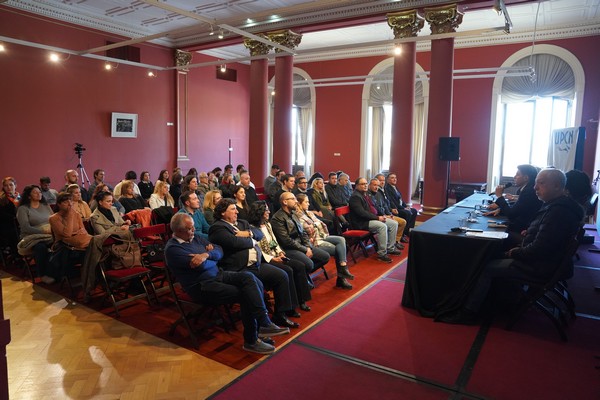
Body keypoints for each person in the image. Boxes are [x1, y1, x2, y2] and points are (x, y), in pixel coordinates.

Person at [440, 168, 585, 325]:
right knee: (492, 252)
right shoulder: (559, 205)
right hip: (547, 261)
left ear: (557, 186)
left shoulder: (558, 212)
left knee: (486, 265)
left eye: (541, 184)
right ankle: (498, 301)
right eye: (535, 183)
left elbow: (538, 249)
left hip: (540, 266)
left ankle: (468, 312)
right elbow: (546, 237)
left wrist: (514, 252)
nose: (535, 188)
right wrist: (531, 231)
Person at [165, 213, 289, 354]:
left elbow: (219, 252)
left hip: (218, 274)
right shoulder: (173, 250)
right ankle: (251, 340)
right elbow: (201, 267)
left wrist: (206, 255)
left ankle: (263, 323)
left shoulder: (195, 238)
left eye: (193, 227)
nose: (193, 230)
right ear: (178, 231)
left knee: (251, 279)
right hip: (202, 286)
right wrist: (210, 257)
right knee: (245, 294)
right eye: (189, 229)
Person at [208, 198, 298, 328]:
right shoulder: (217, 228)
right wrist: (252, 241)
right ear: (222, 212)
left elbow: (258, 234)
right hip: (239, 269)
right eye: (233, 209)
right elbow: (234, 243)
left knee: (282, 275)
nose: (237, 212)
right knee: (258, 284)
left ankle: (280, 314)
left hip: (256, 264)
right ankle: (261, 323)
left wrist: (248, 233)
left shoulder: (242, 223)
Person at [248, 200, 312, 312]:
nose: (268, 212)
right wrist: (273, 258)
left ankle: (301, 300)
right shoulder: (252, 229)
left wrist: (280, 252)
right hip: (265, 259)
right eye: (266, 210)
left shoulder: (267, 224)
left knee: (299, 266)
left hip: (276, 254)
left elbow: (274, 242)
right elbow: (257, 249)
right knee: (288, 270)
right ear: (259, 212)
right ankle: (290, 307)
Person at [270, 193, 331, 288]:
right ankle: (302, 277)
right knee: (309, 264)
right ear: (285, 202)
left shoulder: (294, 214)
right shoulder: (277, 218)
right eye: (293, 199)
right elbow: (286, 240)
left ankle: (302, 275)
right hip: (289, 249)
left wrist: (308, 246)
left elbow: (302, 233)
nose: (296, 201)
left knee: (325, 256)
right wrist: (304, 249)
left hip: (301, 245)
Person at [295, 193, 353, 290]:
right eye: (306, 202)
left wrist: (316, 225)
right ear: (299, 204)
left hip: (321, 236)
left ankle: (343, 267)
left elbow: (318, 225)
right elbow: (307, 231)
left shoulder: (309, 213)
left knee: (341, 239)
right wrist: (315, 225)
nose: (309, 204)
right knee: (338, 250)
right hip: (313, 242)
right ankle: (341, 278)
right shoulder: (297, 217)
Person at [484, 164, 543, 245]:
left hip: (523, 229)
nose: (514, 177)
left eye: (517, 174)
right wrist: (500, 209)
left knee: (491, 232)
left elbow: (511, 214)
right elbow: (518, 208)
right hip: (523, 225)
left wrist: (499, 196)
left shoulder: (528, 191)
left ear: (526, 178)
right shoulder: (526, 189)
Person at [349, 177, 401, 263]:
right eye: (362, 184)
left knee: (393, 223)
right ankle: (382, 254)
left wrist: (384, 216)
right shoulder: (355, 197)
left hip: (371, 219)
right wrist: (378, 218)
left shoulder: (365, 194)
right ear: (357, 186)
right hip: (361, 222)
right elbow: (361, 213)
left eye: (366, 183)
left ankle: (390, 248)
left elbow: (373, 208)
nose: (365, 185)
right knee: (382, 226)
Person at [16, 185, 54, 283]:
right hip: (32, 236)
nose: (39, 194)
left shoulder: (45, 205)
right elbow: (25, 228)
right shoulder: (23, 209)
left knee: (63, 242)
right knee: (40, 247)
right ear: (29, 196)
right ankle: (42, 274)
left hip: (49, 234)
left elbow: (54, 219)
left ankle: (58, 271)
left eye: (40, 192)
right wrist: (43, 231)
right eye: (35, 192)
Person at [369, 178, 406, 250]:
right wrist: (385, 215)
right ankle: (387, 248)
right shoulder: (369, 195)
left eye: (378, 185)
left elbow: (385, 204)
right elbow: (376, 209)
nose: (376, 187)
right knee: (393, 223)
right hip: (378, 217)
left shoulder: (379, 192)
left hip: (385, 214)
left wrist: (389, 213)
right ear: (369, 185)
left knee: (402, 221)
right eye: (374, 185)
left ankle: (395, 242)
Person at [383, 173, 417, 241]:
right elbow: (392, 201)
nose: (395, 179)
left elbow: (400, 199)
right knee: (407, 213)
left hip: (400, 206)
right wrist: (403, 208)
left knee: (414, 211)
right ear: (388, 180)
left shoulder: (395, 187)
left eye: (395, 177)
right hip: (395, 207)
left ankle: (407, 231)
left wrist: (406, 206)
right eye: (392, 178)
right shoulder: (387, 188)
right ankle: (402, 234)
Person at [0, 177, 20, 256]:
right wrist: (16, 218)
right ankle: (17, 256)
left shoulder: (20, 197)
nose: (8, 187)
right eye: (6, 185)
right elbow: (2, 215)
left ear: (15, 185)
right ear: (3, 187)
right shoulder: (2, 199)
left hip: (21, 223)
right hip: (8, 226)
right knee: (15, 233)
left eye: (11, 185)